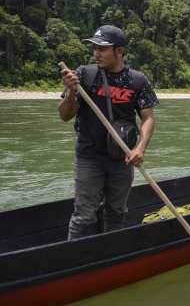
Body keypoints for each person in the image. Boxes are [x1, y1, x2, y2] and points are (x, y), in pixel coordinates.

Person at [58, 25, 159, 240]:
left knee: (116, 212)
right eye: (94, 48)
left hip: (122, 160)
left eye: (102, 49)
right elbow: (65, 115)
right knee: (84, 216)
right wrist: (73, 92)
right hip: (89, 157)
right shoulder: (84, 74)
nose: (96, 53)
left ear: (119, 51)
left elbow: (148, 118)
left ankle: (111, 254)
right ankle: (76, 259)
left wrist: (140, 149)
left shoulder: (138, 80)